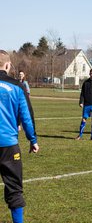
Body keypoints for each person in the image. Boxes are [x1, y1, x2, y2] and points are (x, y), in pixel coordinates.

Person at [0, 50, 39, 223]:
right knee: (14, 189)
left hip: (8, 143)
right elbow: (27, 117)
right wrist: (33, 140)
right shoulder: (17, 86)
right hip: (8, 146)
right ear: (8, 65)